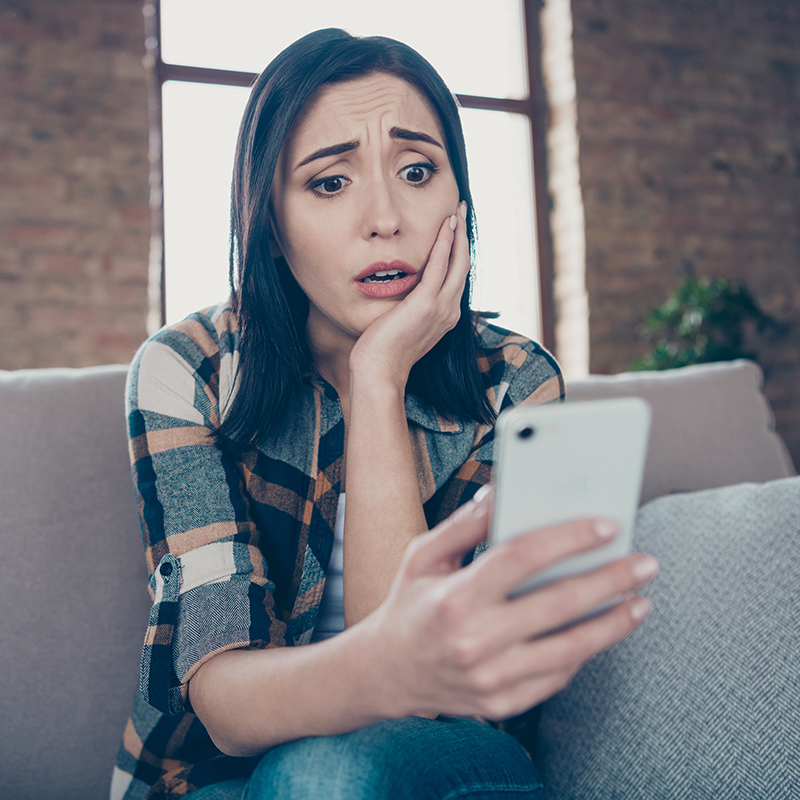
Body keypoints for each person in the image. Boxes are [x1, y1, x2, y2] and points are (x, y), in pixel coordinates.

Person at [112, 28, 658, 800]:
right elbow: (225, 703)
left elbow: (423, 702)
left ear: (458, 200)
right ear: (269, 220)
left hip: (438, 762)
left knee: (343, 769)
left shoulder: (514, 382)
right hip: (219, 779)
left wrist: (379, 378)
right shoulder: (189, 371)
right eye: (330, 183)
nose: (386, 217)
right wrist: (378, 371)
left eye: (416, 170)